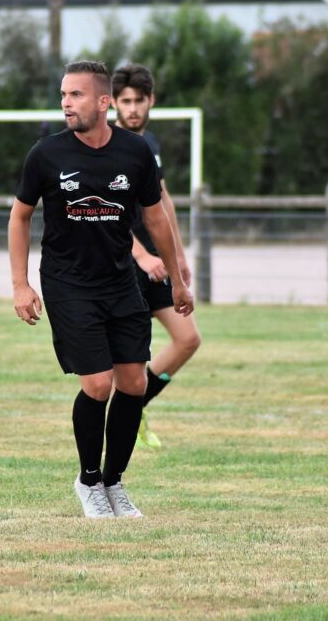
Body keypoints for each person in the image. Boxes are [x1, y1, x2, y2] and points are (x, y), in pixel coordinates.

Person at [8, 60, 194, 519]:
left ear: (103, 102)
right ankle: (88, 481)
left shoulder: (134, 153)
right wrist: (20, 284)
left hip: (120, 282)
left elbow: (156, 218)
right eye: (63, 95)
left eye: (75, 95)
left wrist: (176, 278)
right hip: (69, 285)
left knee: (132, 383)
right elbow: (20, 216)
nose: (66, 103)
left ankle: (114, 483)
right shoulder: (46, 154)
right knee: (97, 384)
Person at [111, 64, 202, 450]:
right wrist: (143, 255)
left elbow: (162, 199)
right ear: (112, 103)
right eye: (125, 101)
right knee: (124, 357)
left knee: (188, 339)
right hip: (123, 261)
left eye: (139, 101)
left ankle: (135, 406)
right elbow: (109, 213)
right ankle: (123, 417)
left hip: (157, 261)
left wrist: (178, 254)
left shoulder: (150, 144)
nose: (132, 109)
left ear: (151, 101)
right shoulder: (109, 145)